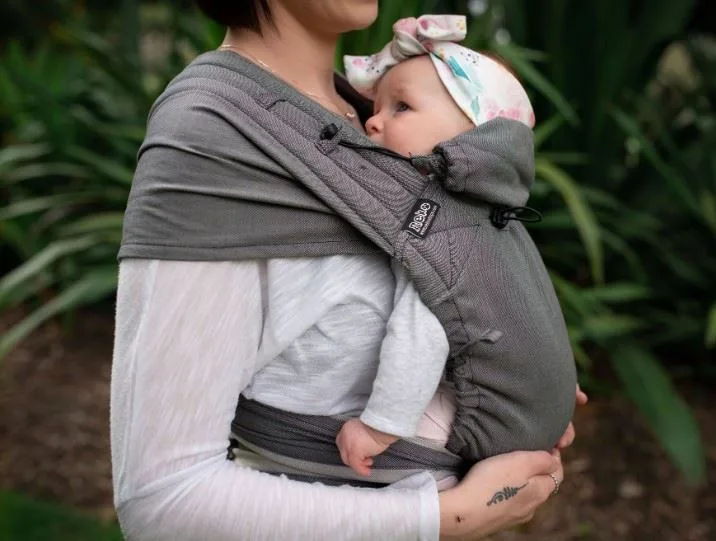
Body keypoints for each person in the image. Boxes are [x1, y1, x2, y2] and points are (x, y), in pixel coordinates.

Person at [111, 1, 586, 539]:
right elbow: (163, 500)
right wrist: (451, 516)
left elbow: (462, 279)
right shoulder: (214, 136)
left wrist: (524, 375)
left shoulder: (374, 121)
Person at [334, 15, 561, 478]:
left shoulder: (434, 225)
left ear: (472, 133)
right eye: (377, 107)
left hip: (491, 423)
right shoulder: (494, 213)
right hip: (538, 406)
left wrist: (378, 428)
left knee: (357, 447)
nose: (372, 121)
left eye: (401, 107)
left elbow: (421, 335)